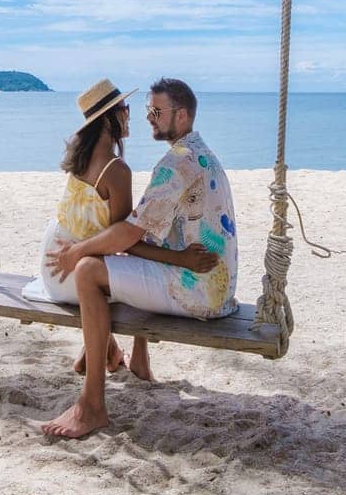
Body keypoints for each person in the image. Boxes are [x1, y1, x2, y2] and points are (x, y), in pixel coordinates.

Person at [40, 77, 238, 441]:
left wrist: (77, 251)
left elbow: (128, 234)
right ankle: (131, 359)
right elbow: (136, 233)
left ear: (182, 116)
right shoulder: (197, 152)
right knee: (116, 262)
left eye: (156, 111)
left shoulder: (177, 163)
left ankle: (93, 406)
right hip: (213, 284)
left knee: (87, 271)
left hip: (198, 288)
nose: (148, 117)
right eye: (147, 110)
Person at [23, 78, 219, 381]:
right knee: (139, 271)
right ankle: (119, 355)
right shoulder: (116, 170)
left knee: (138, 260)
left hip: (52, 258)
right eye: (125, 109)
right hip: (68, 268)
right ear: (109, 118)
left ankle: (104, 353)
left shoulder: (81, 159)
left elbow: (117, 236)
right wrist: (182, 259)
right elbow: (125, 241)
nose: (132, 115)